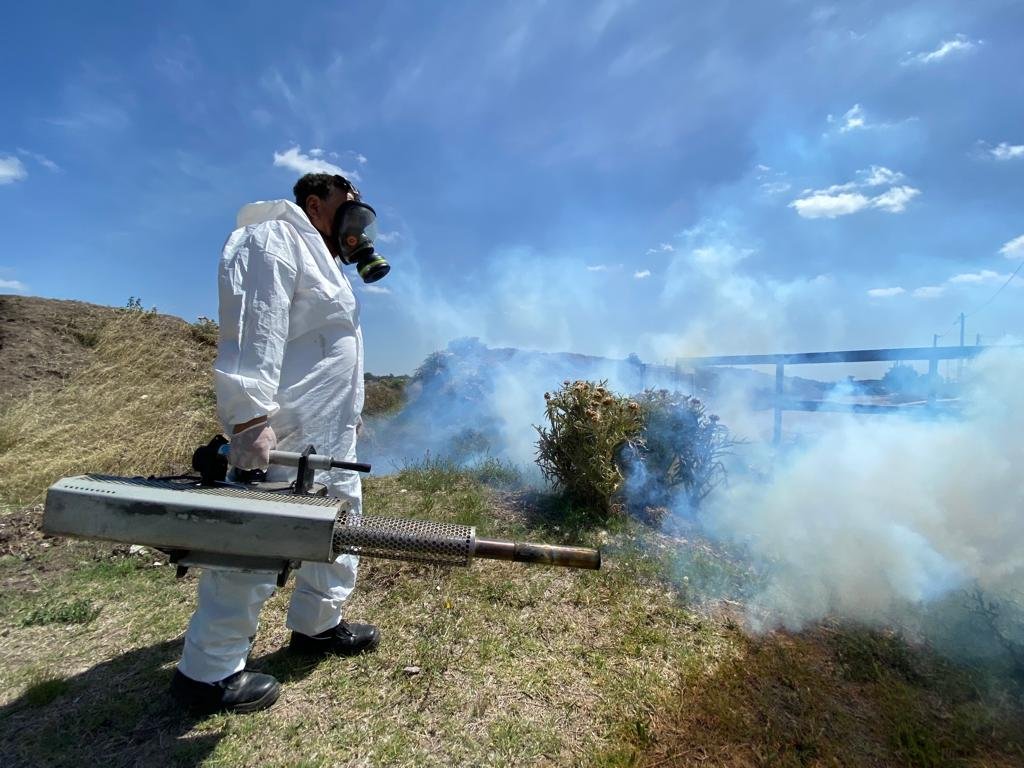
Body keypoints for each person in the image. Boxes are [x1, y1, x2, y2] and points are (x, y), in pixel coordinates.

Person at [170, 173, 380, 714]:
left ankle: (317, 626)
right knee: (256, 542)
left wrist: (351, 419)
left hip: (330, 434)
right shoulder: (274, 238)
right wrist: (247, 419)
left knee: (340, 530)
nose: (358, 214)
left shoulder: (326, 261)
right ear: (316, 203)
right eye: (347, 203)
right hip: (285, 431)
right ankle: (208, 673)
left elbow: (328, 350)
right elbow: (252, 323)